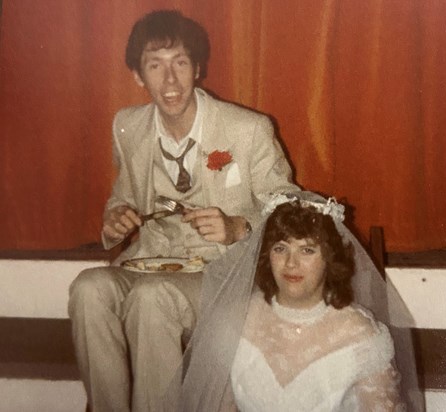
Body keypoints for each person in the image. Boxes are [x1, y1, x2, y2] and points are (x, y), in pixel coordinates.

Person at [68, 9, 298, 412]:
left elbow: (290, 210)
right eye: (155, 66)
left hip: (221, 275)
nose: (169, 80)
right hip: (146, 266)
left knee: (152, 300)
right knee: (88, 288)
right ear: (139, 76)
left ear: (197, 68)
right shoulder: (127, 126)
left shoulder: (247, 129)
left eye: (179, 64)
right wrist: (116, 216)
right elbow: (123, 194)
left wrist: (239, 226)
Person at [170, 192, 418, 411]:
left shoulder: (361, 337)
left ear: (330, 259)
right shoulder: (236, 321)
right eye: (280, 248)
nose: (291, 263)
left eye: (307, 250)